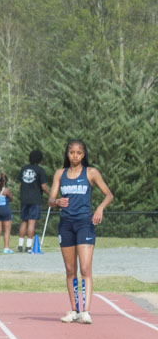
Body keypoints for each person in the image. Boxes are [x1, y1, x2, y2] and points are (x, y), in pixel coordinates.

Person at [50, 139, 113, 324]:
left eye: (78, 153)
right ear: (67, 154)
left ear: (83, 154)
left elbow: (109, 194)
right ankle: (74, 310)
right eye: (72, 153)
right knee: (70, 270)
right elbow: (51, 200)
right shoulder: (60, 174)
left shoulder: (91, 172)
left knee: (85, 268)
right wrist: (56, 202)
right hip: (66, 225)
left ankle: (86, 310)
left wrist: (100, 208)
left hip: (85, 223)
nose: (75, 156)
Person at [17, 150, 50, 252]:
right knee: (32, 222)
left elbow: (20, 184)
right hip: (35, 199)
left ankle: (20, 245)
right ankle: (28, 246)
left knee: (24, 221)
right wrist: (51, 194)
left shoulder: (24, 169)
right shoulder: (40, 170)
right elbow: (43, 186)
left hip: (24, 199)